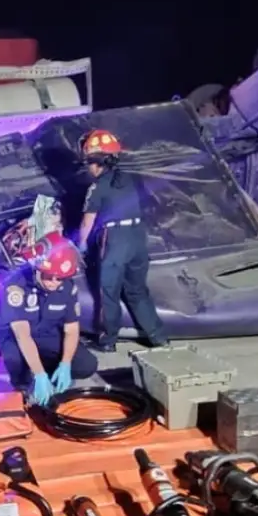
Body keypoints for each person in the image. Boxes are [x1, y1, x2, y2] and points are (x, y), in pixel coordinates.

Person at [76, 128, 167, 353]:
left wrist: (81, 244)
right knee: (137, 291)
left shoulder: (97, 186)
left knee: (109, 293)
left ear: (95, 161)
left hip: (115, 240)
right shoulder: (131, 178)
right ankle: (158, 337)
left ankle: (108, 341)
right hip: (138, 237)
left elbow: (88, 221)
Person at [0, 234, 99, 405]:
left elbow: (71, 329)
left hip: (47, 333)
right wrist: (39, 374)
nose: (53, 282)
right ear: (37, 269)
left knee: (86, 364)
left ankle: (51, 371)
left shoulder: (67, 287)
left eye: (59, 278)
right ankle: (22, 383)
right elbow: (22, 334)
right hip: (17, 337)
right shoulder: (16, 286)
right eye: (48, 276)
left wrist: (65, 363)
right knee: (13, 358)